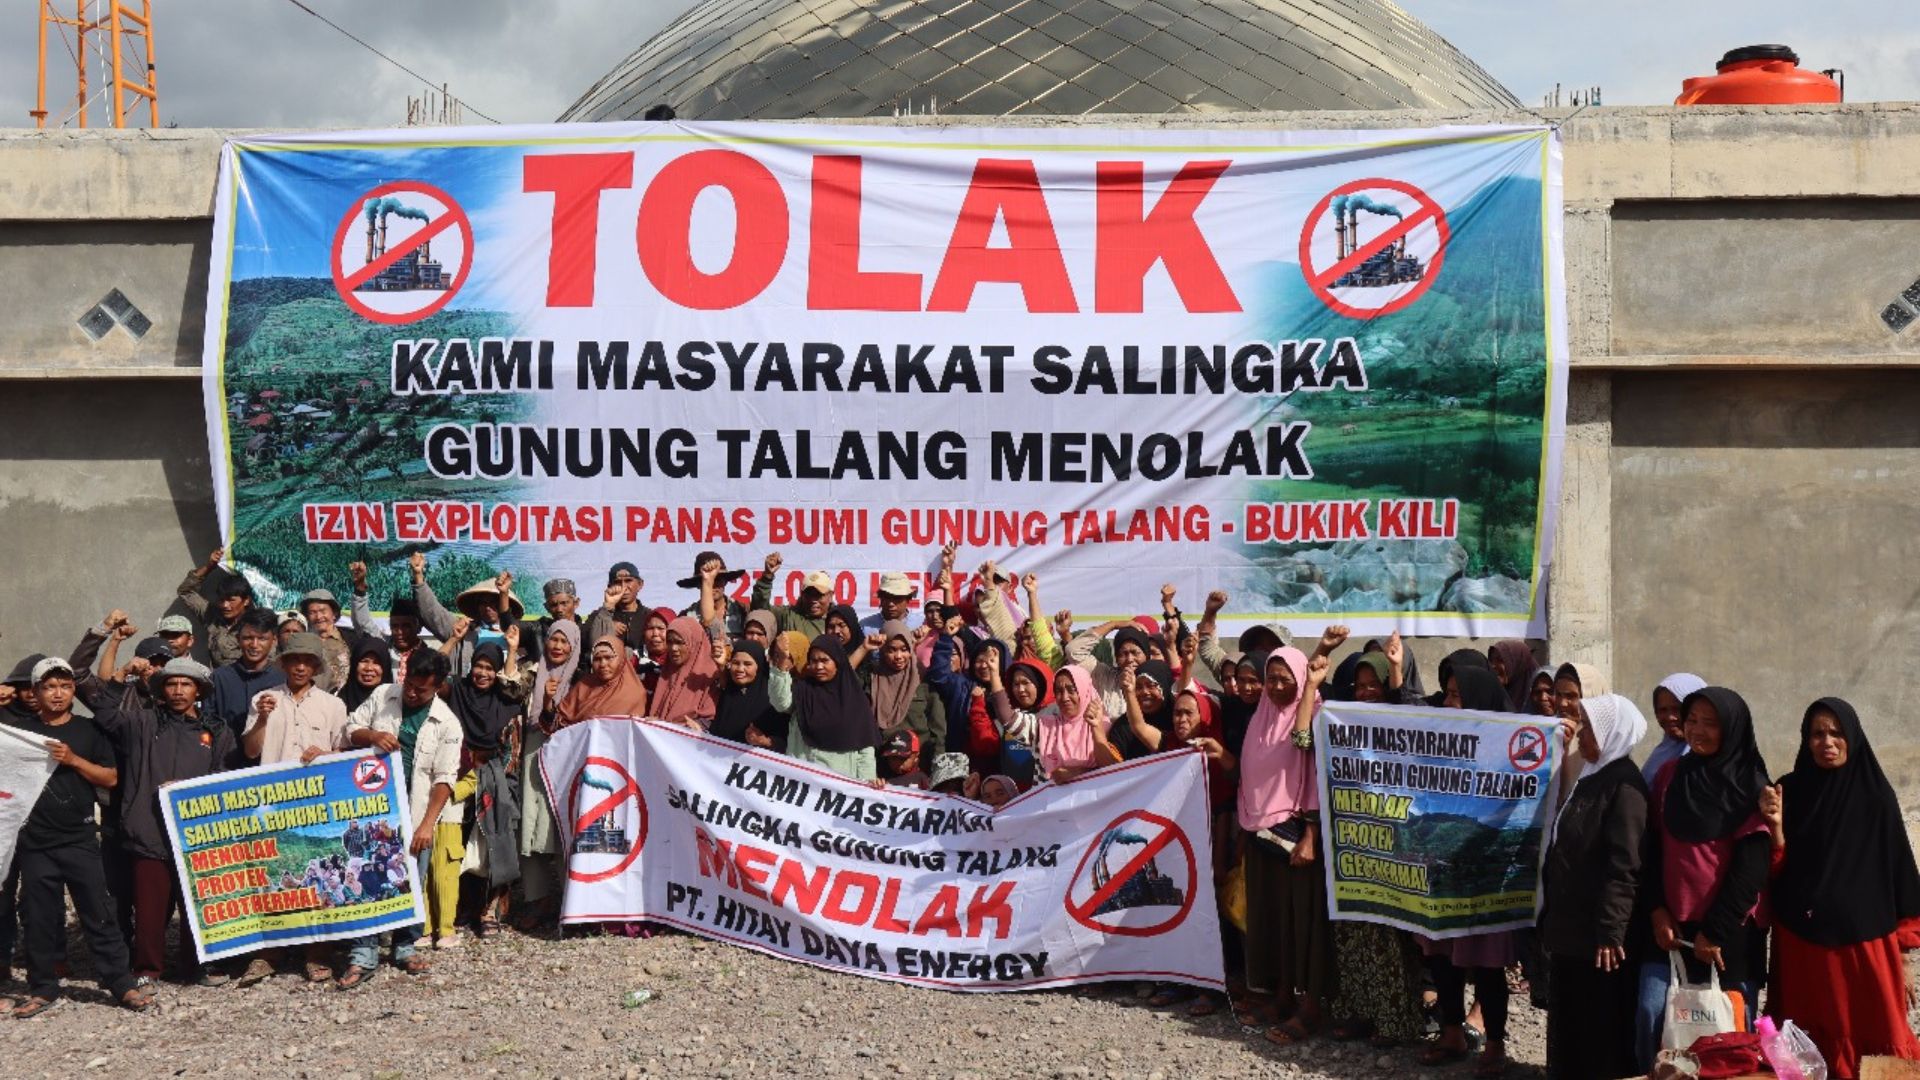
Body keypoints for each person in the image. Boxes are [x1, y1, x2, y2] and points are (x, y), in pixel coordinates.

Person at [1762, 698, 1920, 1079]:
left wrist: (1904, 958)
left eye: (1836, 732)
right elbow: (1777, 869)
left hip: (1865, 948)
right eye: (1817, 734)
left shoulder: (1875, 797)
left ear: (1852, 737)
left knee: (1878, 1048)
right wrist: (1776, 829)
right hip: (1803, 948)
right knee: (1807, 1051)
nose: (1827, 742)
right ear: (1805, 739)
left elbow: (1899, 873)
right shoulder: (1789, 791)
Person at [2, 657, 153, 1017]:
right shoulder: (20, 732)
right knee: (38, 918)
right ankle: (42, 988)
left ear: (73, 690)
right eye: (49, 687)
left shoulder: (89, 731)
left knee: (99, 913)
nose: (58, 694)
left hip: (79, 838)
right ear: (35, 692)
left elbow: (112, 779)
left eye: (65, 686)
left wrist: (73, 760)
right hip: (34, 843)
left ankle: (121, 984)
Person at [1637, 686, 1772, 1065]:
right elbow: (1651, 849)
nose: (1697, 730)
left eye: (1710, 723)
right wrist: (1657, 910)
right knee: (1653, 1016)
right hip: (1671, 928)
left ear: (1732, 729)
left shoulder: (1751, 786)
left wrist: (1713, 932)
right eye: (1692, 720)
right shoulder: (1668, 776)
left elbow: (1751, 870)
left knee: (1729, 1031)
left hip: (1728, 933)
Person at [90, 656, 237, 985]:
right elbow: (104, 713)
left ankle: (195, 968)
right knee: (150, 909)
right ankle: (147, 969)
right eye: (171, 683)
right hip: (149, 828)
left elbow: (225, 777)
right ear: (161, 689)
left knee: (196, 906)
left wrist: (186, 790)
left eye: (186, 684)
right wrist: (121, 676)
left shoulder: (216, 730)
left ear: (198, 690)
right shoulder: (141, 723)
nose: (178, 690)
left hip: (196, 833)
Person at [1540, 693, 1650, 1080]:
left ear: (1611, 733)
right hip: (1573, 928)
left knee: (1598, 1025)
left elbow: (1625, 866)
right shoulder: (1593, 776)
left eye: (1590, 728)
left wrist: (1610, 931)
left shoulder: (1625, 788)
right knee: (1572, 1018)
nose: (1582, 735)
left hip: (1598, 938)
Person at [340, 650, 464, 982]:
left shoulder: (447, 723)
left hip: (415, 813)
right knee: (368, 880)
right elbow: (350, 727)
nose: (410, 693)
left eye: (420, 690)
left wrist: (427, 824)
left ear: (437, 687)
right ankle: (363, 954)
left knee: (410, 882)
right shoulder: (383, 694)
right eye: (409, 684)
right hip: (374, 810)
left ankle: (405, 948)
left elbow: (444, 779)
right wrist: (372, 736)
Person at [1422, 663, 1520, 1075]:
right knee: (1443, 955)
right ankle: (1451, 1032)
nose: (1449, 703)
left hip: (1486, 876)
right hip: (1445, 869)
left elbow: (1514, 808)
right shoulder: (1441, 743)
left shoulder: (1508, 749)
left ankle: (1494, 1043)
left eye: (1457, 695)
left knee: (1487, 962)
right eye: (1446, 694)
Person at [1234, 639, 1333, 1044]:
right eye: (1270, 679)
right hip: (1260, 832)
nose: (1274, 687)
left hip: (1296, 835)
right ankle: (1280, 997)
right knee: (1273, 920)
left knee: (1303, 925)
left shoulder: (1313, 717)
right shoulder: (1261, 718)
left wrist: (1310, 834)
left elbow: (1309, 767)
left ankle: (1310, 1009)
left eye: (1283, 679)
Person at [240, 631, 352, 984]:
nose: (300, 666)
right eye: (294, 660)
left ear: (316, 666)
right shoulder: (264, 699)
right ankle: (268, 952)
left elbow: (345, 757)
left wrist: (326, 755)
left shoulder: (333, 706)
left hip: (316, 807)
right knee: (273, 873)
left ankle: (316, 952)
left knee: (316, 877)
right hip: (272, 804)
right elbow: (250, 752)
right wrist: (260, 719)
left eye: (307, 661)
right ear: (284, 663)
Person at [446, 639, 525, 938]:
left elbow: (512, 750)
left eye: (490, 668)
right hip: (457, 774)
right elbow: (434, 674)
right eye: (478, 666)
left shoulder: (506, 702)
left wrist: (491, 779)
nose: (482, 673)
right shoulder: (458, 693)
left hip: (497, 777)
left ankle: (489, 908)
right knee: (458, 840)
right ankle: (464, 904)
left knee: (496, 836)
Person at [518, 620, 581, 930]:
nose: (557, 646)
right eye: (553, 639)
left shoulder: (581, 680)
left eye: (564, 641)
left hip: (564, 758)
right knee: (531, 822)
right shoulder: (530, 672)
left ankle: (569, 901)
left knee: (559, 822)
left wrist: (552, 702)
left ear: (574, 646)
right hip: (532, 751)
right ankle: (536, 898)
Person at [774, 635, 880, 780]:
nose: (819, 666)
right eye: (814, 661)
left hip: (836, 788)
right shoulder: (802, 690)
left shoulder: (854, 699)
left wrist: (866, 788)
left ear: (837, 662)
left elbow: (865, 749)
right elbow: (781, 704)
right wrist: (781, 665)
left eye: (824, 660)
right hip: (799, 782)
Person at [206, 608, 285, 746]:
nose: (254, 645)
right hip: (227, 762)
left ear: (274, 640)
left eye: (262, 638)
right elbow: (207, 720)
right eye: (248, 638)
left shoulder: (283, 679)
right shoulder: (219, 678)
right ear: (238, 639)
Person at [868, 620, 942, 760]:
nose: (898, 656)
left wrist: (935, 766)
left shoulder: (923, 681)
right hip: (884, 764)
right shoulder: (872, 680)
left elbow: (938, 731)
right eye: (891, 650)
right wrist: (865, 648)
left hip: (920, 764)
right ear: (882, 650)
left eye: (904, 649)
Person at [1036, 665, 1120, 783]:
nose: (1065, 698)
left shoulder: (1104, 725)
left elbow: (1113, 771)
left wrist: (1079, 772)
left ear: (1084, 690)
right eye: (1059, 691)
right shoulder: (1047, 727)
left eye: (1072, 690)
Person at [174, 546, 255, 667]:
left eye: (231, 600)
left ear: (246, 601)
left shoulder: (257, 624)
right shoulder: (212, 615)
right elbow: (185, 591)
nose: (225, 605)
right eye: (221, 600)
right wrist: (210, 566)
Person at [349, 560, 431, 678]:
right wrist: (360, 590)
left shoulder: (427, 655)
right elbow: (362, 623)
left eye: (406, 626)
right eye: (394, 626)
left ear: (417, 627)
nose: (399, 632)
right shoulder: (383, 646)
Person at [554, 636, 649, 726]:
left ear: (621, 659)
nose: (603, 664)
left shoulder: (635, 694)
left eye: (608, 658)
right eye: (597, 659)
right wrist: (548, 700)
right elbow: (560, 722)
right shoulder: (584, 685)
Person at [711, 640, 785, 751]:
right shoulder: (727, 692)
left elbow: (784, 740)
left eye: (747, 664)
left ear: (759, 666)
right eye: (736, 663)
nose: (740, 669)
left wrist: (765, 741)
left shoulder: (772, 698)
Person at [651, 615, 720, 729]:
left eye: (679, 642)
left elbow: (712, 721)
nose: (673, 648)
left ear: (694, 643)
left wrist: (697, 726)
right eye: (670, 642)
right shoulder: (668, 672)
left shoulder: (709, 675)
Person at [750, 552, 832, 638]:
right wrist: (766, 578)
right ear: (802, 595)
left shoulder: (837, 622)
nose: (813, 600)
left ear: (830, 596)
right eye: (809, 595)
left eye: (819, 595)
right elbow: (759, 612)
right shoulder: (787, 616)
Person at [1643, 673, 1705, 785]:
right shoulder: (1659, 756)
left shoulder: (1710, 760)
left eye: (1677, 709)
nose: (1670, 717)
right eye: (1662, 710)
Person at [298, 588, 357, 693]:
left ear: (334, 613)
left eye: (323, 611)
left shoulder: (352, 638)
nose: (318, 616)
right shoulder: (303, 642)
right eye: (312, 612)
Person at [682, 551, 747, 637]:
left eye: (717, 579)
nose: (712, 584)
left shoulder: (743, 610)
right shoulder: (687, 617)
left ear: (725, 582)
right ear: (698, 585)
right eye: (706, 580)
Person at [858, 571, 920, 637]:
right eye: (886, 597)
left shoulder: (920, 625)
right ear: (880, 598)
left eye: (897, 598)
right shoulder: (864, 627)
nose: (891, 604)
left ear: (908, 599)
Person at [340, 637, 392, 714]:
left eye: (376, 663)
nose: (369, 668)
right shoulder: (337, 701)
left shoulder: (395, 703)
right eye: (364, 661)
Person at [1487, 640, 1536, 713]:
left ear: (1518, 664)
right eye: (1491, 660)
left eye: (1500, 660)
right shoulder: (1493, 697)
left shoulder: (1539, 699)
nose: (1493, 665)